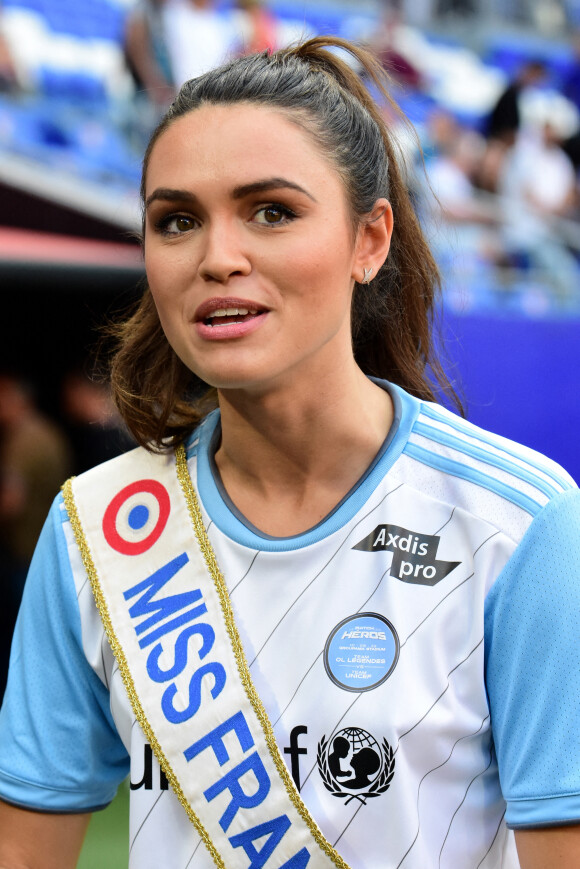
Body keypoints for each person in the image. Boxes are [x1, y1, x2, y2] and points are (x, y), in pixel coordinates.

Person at [0, 35, 579, 869]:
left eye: (272, 211)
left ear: (368, 240)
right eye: (177, 220)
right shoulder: (95, 528)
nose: (217, 258)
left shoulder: (521, 525)